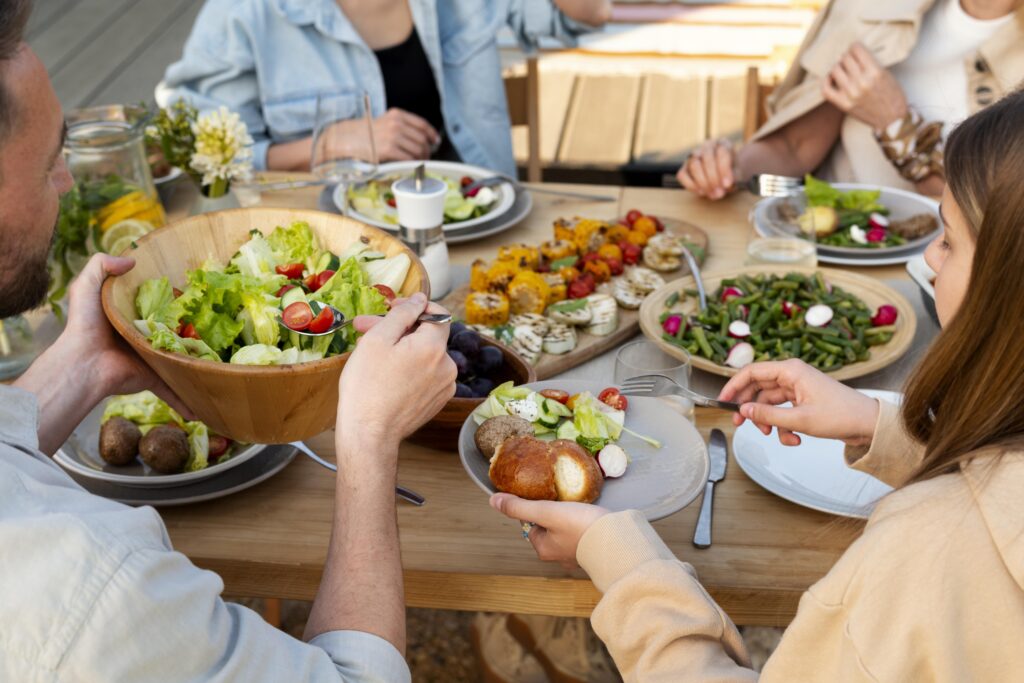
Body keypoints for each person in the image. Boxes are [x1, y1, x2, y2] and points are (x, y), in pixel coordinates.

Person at [492, 89, 1024, 680]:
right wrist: (883, 428)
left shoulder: (928, 549)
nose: (927, 258)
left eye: (948, 239)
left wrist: (626, 565)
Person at [0, 2, 457, 679]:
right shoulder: (93, 583)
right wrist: (366, 440)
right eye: (47, 166)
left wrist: (83, 365)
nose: (66, 181)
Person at [158, 0, 612, 176]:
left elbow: (587, 13)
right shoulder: (242, 14)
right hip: (334, 255)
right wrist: (332, 140)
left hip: (479, 230)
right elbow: (197, 153)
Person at [678, 0, 1024, 201]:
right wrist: (732, 169)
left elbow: (995, 216)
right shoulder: (869, 8)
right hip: (831, 255)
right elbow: (794, 146)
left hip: (949, 287)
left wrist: (897, 126)